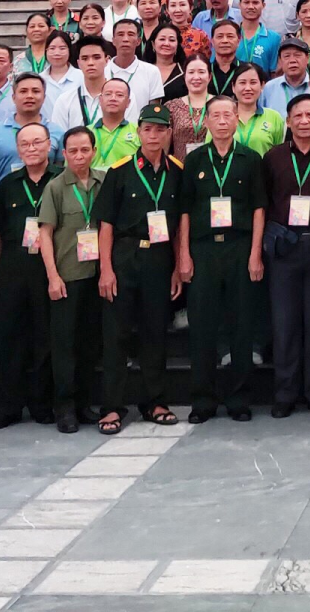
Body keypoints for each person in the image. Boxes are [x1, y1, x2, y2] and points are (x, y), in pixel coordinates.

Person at [95, 104, 185, 432]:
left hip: (159, 259)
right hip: (124, 256)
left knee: (154, 332)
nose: (153, 135)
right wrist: (106, 269)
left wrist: (177, 266)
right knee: (115, 334)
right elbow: (104, 224)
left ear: (169, 133)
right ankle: (112, 406)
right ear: (138, 131)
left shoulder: (177, 170)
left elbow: (178, 224)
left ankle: (154, 402)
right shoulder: (120, 171)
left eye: (160, 129)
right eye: (148, 128)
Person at [180, 96, 267, 423]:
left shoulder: (250, 158)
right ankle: (202, 400)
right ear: (206, 121)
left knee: (241, 324)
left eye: (226, 115)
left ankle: (239, 399)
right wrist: (184, 255)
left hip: (240, 247)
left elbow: (259, 207)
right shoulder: (195, 159)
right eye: (214, 115)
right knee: (201, 325)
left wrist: (255, 253)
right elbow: (185, 211)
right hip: (203, 249)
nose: (220, 121)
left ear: (235, 120)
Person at [264, 96, 310, 418]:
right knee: (284, 324)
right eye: (298, 115)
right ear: (289, 120)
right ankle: (285, 394)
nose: (305, 120)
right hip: (284, 246)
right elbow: (263, 203)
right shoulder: (273, 157)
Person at [0, 124, 57, 429]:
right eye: (25, 144)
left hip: (49, 265)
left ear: (49, 145)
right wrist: (0, 270)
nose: (31, 148)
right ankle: (9, 406)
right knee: (11, 336)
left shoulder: (60, 180)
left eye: (37, 142)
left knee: (45, 334)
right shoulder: (8, 185)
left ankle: (42, 403)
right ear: (18, 149)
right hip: (15, 264)